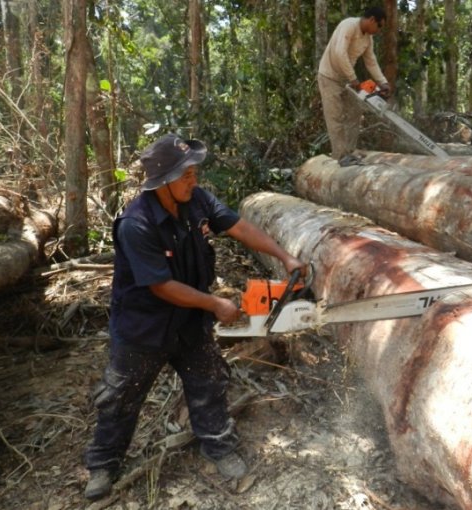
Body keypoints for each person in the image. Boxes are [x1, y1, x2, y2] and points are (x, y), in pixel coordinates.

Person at [83, 133, 306, 501]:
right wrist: (216, 304)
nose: (194, 180)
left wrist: (285, 257)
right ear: (163, 181)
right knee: (120, 398)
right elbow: (161, 287)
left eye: (194, 172)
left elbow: (238, 226)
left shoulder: (196, 200)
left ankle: (219, 446)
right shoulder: (135, 224)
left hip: (189, 322)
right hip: (144, 327)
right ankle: (103, 464)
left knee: (208, 383)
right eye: (186, 175)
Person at [317, 6, 391, 163]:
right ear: (371, 20)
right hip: (329, 76)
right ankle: (340, 155)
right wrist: (354, 79)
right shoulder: (349, 25)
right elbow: (339, 52)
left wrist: (383, 82)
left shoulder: (367, 39)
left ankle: (349, 151)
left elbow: (371, 61)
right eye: (379, 25)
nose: (379, 30)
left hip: (346, 80)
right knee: (335, 116)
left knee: (355, 112)